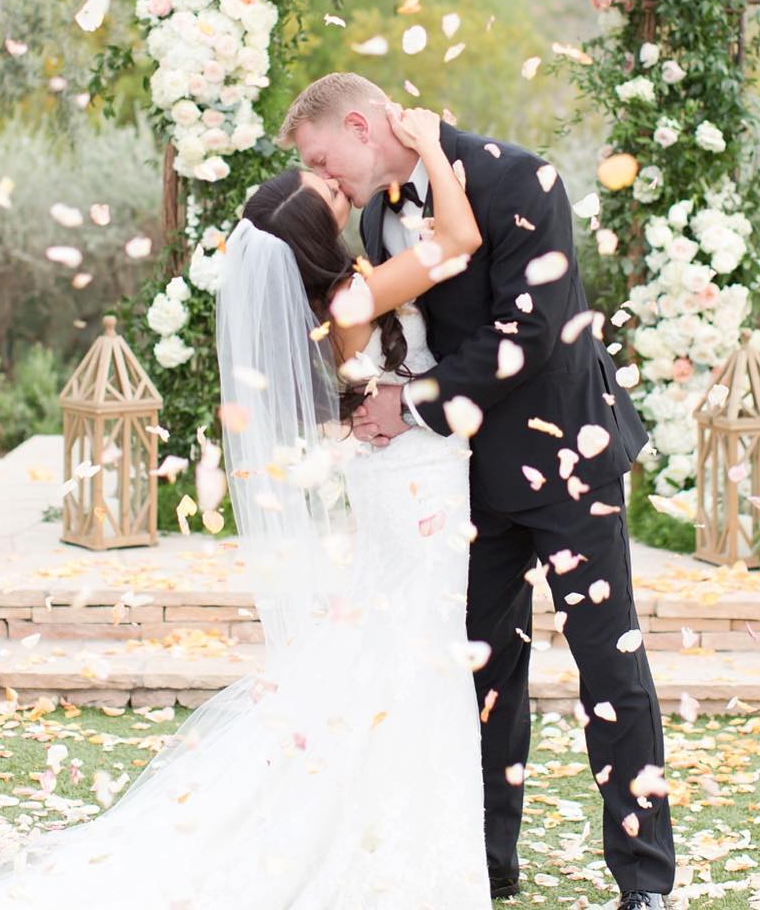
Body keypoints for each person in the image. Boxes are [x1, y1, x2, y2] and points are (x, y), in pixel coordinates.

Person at [0, 105, 496, 909]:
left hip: (404, 478)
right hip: (411, 487)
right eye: (331, 197)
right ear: (314, 241)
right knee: (414, 652)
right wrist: (433, 143)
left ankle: (404, 841)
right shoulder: (353, 303)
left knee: (405, 651)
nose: (341, 188)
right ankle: (406, 857)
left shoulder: (341, 303)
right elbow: (461, 241)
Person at [281, 72, 676, 910]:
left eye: (323, 158)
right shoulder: (381, 218)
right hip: (463, 487)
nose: (328, 181)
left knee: (611, 665)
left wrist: (408, 406)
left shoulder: (519, 178)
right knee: (482, 676)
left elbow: (528, 334)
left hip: (567, 458)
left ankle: (645, 881)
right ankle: (487, 860)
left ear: (358, 124)